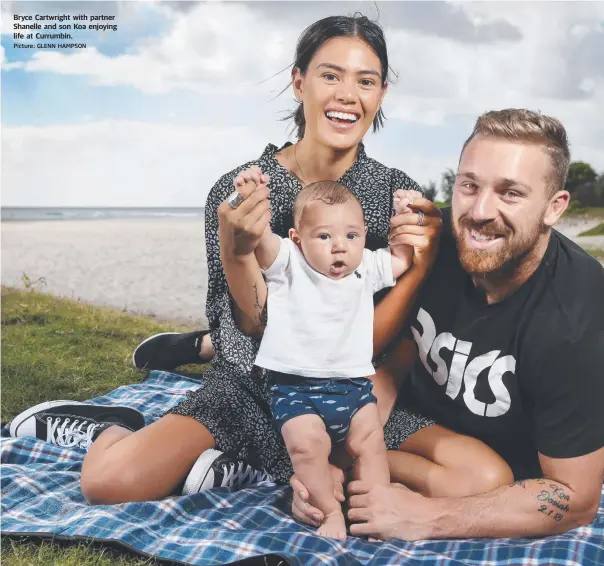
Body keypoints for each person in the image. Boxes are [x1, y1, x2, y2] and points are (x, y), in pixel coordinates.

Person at [9, 15, 510, 511]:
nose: (347, 95)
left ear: (381, 94)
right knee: (108, 482)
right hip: (251, 387)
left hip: (350, 396)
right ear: (299, 82)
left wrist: (420, 265)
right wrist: (236, 249)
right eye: (329, 75)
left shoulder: (391, 197)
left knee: (484, 477)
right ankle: (117, 425)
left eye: (366, 80)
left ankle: (276, 465)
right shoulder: (240, 193)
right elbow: (254, 327)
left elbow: (382, 341)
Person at [292, 108, 604, 541]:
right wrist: (329, 461)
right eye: (469, 186)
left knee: (487, 480)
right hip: (406, 422)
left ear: (554, 207)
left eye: (510, 193)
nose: (479, 212)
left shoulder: (576, 317)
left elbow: (577, 498)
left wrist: (425, 517)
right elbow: (389, 358)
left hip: (491, 467)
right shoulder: (429, 243)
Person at [245, 173, 416, 538]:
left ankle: (375, 509)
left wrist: (404, 215)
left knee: (370, 446)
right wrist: (254, 199)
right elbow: (261, 241)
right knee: (308, 449)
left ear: (365, 237)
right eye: (324, 236)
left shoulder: (367, 268)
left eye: (351, 236)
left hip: (354, 388)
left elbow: (401, 258)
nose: (340, 247)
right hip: (296, 390)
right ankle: (329, 516)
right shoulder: (289, 263)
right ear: (297, 239)